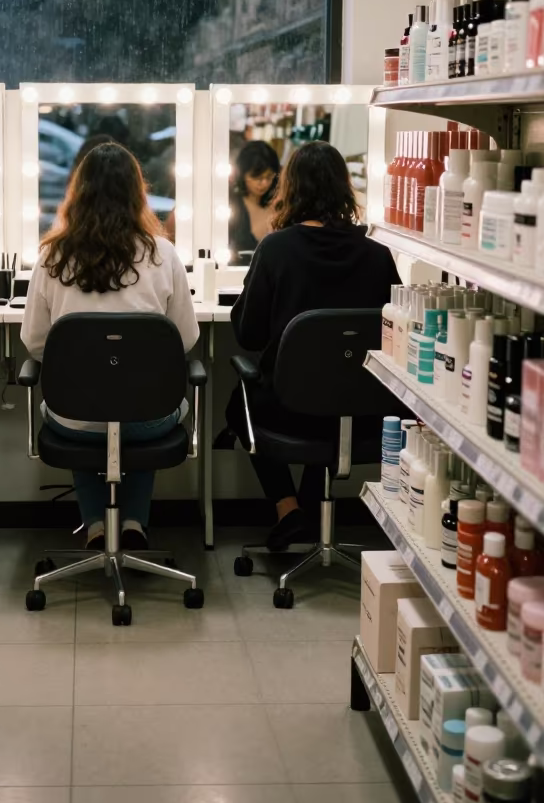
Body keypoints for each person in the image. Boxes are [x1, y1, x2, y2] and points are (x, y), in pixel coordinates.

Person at [21, 142, 199, 550]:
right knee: (143, 397)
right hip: (150, 418)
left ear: (77, 192)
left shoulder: (51, 257)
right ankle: (134, 523)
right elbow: (186, 340)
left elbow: (33, 343)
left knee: (85, 400)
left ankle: (95, 526)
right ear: (138, 193)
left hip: (74, 419)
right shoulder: (163, 254)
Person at [226, 140, 400, 550]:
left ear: (291, 188)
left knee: (240, 402)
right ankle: (306, 509)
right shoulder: (377, 256)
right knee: (330, 394)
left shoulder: (276, 249)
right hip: (365, 413)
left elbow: (248, 336)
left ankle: (291, 510)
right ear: (344, 187)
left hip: (290, 411)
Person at [228, 140, 281, 263]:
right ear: (242, 174)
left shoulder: (279, 204)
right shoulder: (231, 206)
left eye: (269, 177)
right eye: (256, 177)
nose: (264, 183)